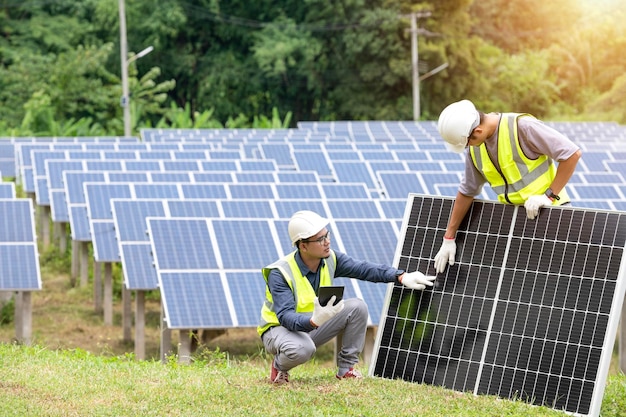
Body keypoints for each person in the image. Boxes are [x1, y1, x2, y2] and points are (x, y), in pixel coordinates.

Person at [257, 210, 436, 384]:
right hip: (279, 330)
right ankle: (279, 366)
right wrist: (313, 321)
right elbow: (285, 317)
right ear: (303, 246)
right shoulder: (279, 273)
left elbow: (365, 269)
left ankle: (346, 370)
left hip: (310, 325)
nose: (327, 242)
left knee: (357, 307)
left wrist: (401, 276)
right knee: (303, 349)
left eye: (327, 235)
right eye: (320, 239)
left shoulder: (330, 258)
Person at [434, 99, 582, 274]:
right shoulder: (475, 148)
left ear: (477, 132)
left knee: (559, 280)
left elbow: (572, 154)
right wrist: (448, 238)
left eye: (466, 143)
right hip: (516, 223)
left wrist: (548, 196)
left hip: (554, 216)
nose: (467, 148)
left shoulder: (523, 127)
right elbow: (467, 191)